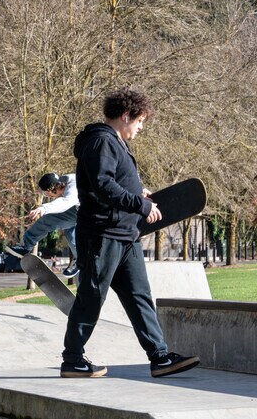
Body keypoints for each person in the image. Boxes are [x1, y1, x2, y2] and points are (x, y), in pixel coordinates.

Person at [60, 88, 200, 378]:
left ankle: (160, 357)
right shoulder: (101, 141)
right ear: (126, 116)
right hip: (102, 235)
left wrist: (139, 190)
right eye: (139, 121)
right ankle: (72, 359)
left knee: (140, 296)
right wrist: (140, 203)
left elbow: (115, 182)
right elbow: (102, 184)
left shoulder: (115, 143)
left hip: (126, 235)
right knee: (92, 297)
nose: (141, 127)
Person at [5, 173, 79, 278]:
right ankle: (80, 258)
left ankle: (26, 246)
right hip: (80, 210)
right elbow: (51, 181)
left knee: (48, 220)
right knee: (70, 232)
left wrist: (43, 208)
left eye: (46, 195)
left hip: (91, 213)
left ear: (53, 190)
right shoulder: (62, 180)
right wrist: (42, 190)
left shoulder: (73, 189)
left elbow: (64, 203)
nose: (48, 197)